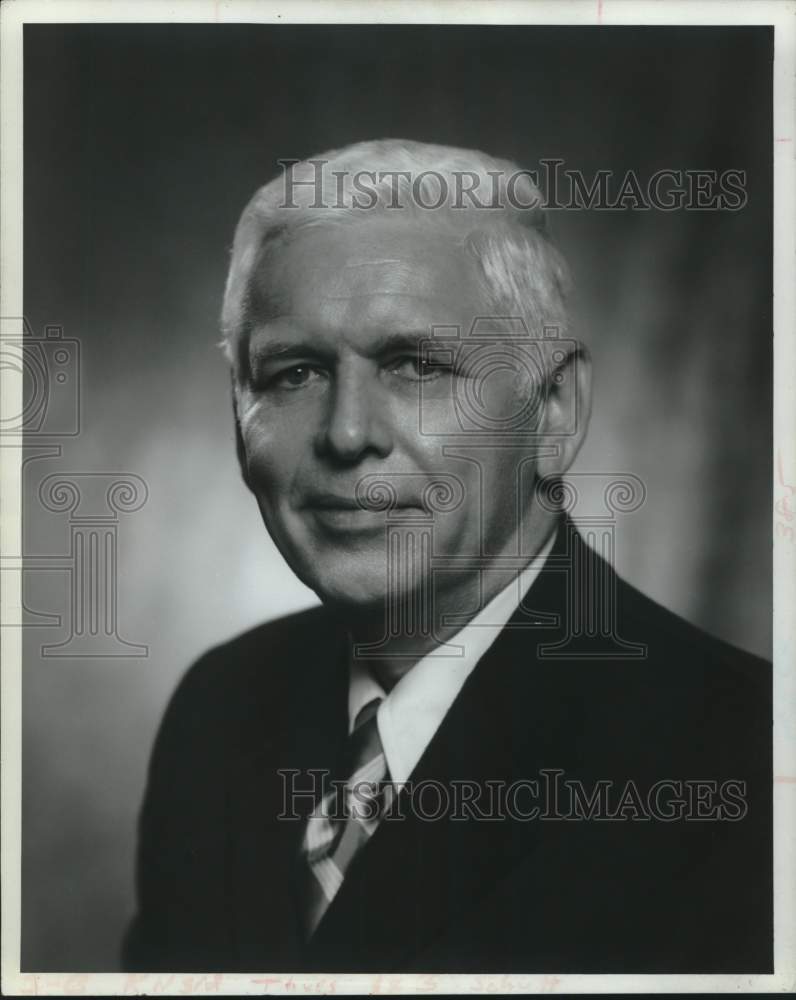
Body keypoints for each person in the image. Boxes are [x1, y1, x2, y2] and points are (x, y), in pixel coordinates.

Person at [123, 140, 771, 974]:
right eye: (295, 373)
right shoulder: (218, 711)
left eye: (417, 366)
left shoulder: (748, 763)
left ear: (553, 410)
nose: (347, 434)